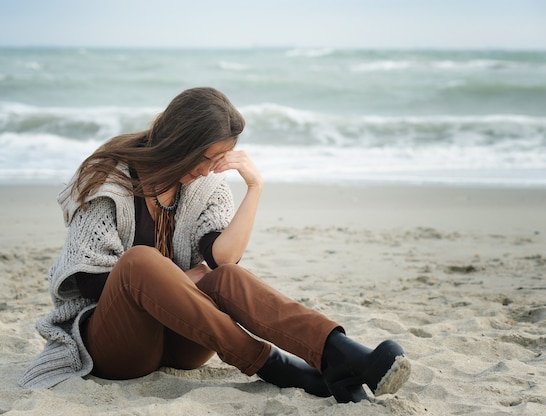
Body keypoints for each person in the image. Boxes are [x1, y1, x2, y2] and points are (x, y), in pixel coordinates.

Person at [20, 87, 411, 404]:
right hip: (117, 347)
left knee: (228, 278)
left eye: (221, 159)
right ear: (181, 143)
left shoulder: (204, 185)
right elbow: (90, 282)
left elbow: (222, 257)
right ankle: (274, 365)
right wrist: (179, 281)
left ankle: (338, 353)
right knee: (140, 261)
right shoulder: (109, 178)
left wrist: (255, 188)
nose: (211, 170)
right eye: (208, 158)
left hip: (184, 341)